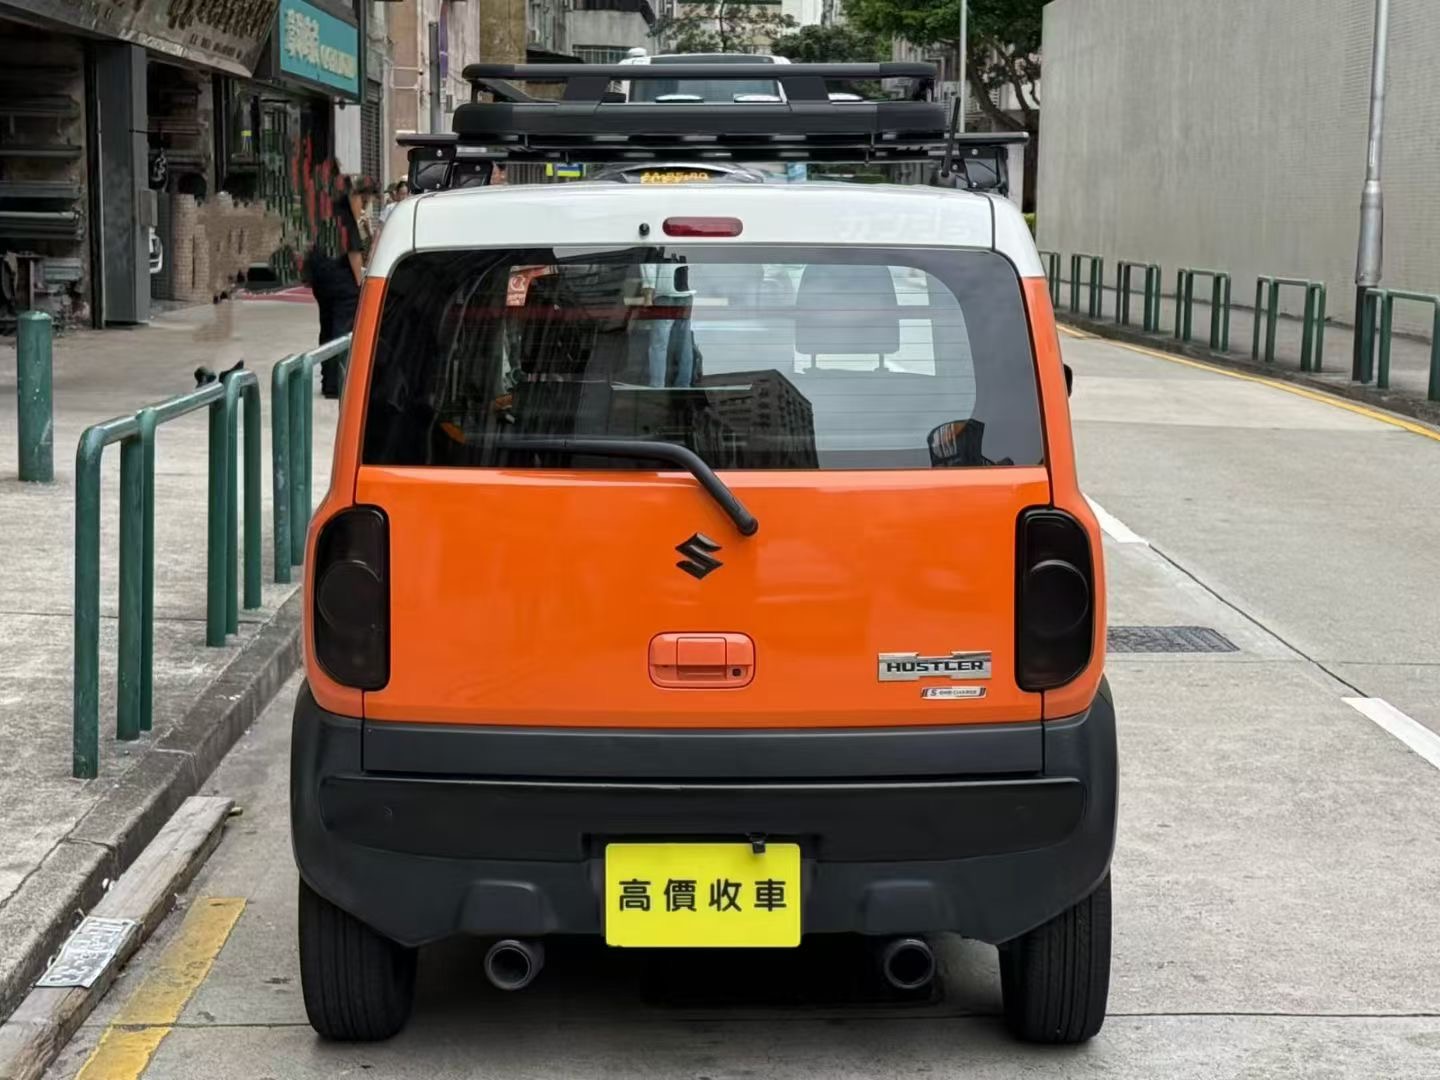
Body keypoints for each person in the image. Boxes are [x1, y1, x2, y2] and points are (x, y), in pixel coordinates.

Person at [314, 169, 377, 398]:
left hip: (322, 278)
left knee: (327, 328)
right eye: (364, 200)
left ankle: (329, 381)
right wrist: (361, 284)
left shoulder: (327, 211)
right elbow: (354, 253)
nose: (363, 207)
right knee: (342, 331)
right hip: (341, 281)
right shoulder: (346, 217)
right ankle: (338, 381)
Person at [634, 258, 696, 388]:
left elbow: (649, 264)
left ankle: (657, 386)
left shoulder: (658, 247)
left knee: (659, 344)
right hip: (686, 292)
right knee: (684, 343)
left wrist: (648, 294)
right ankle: (684, 386)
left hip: (665, 293)